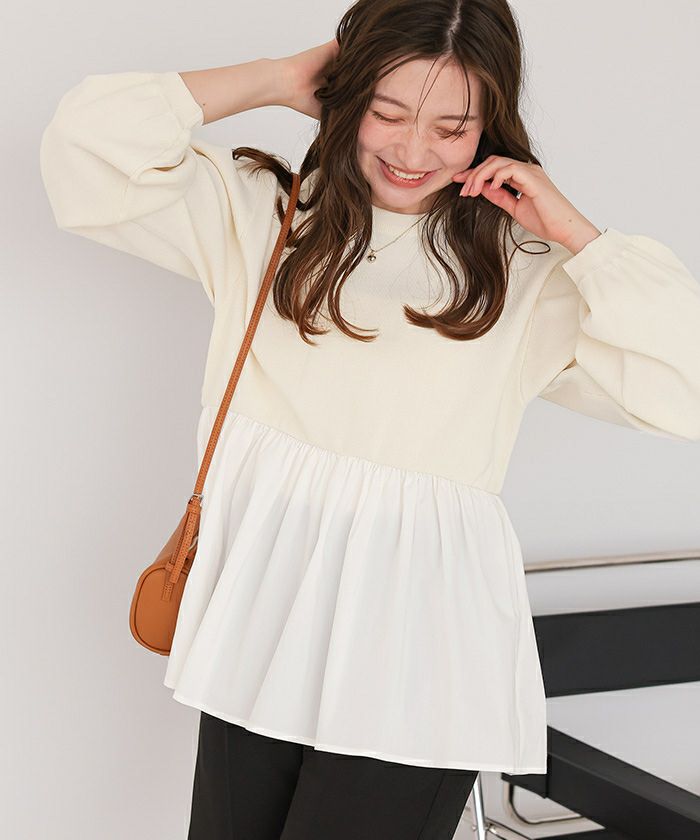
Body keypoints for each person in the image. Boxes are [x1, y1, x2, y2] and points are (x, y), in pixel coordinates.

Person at [39, 0, 700, 837]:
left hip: (415, 673)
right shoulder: (270, 215)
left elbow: (687, 383)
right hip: (260, 634)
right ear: (345, 95)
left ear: (490, 128)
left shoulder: (522, 272)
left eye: (451, 128)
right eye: (387, 112)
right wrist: (278, 77)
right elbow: (85, 148)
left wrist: (576, 233)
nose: (413, 151)